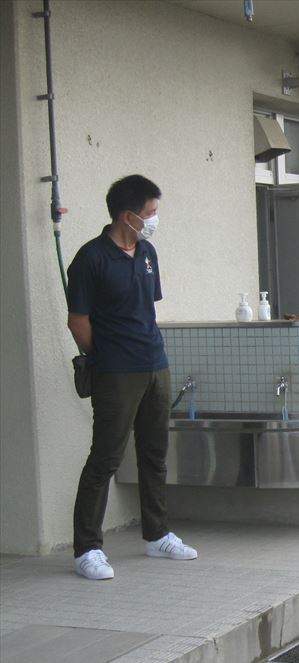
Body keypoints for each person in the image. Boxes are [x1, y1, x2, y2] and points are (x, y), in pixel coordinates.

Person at [66, 175, 198, 580]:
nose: (155, 219)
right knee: (105, 458)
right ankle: (87, 549)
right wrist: (104, 357)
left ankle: (157, 535)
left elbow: (145, 307)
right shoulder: (91, 258)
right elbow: (78, 321)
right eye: (150, 213)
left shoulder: (146, 252)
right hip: (115, 371)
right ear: (128, 215)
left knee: (155, 454)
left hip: (155, 363)